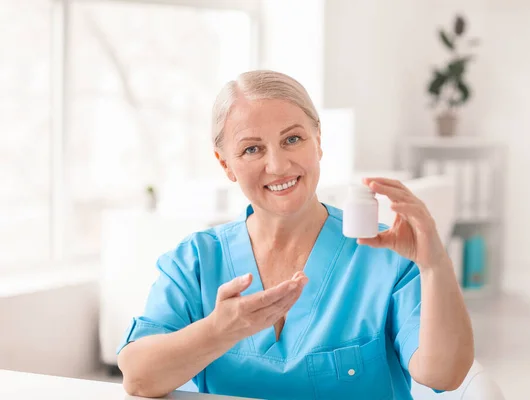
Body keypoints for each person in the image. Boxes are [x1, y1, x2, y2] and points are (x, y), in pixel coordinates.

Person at [116, 70, 474, 399]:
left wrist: (434, 264)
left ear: (318, 142)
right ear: (226, 164)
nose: (278, 165)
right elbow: (138, 377)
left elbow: (443, 374)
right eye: (252, 149)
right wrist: (218, 330)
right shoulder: (196, 260)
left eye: (293, 139)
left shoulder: (388, 253)